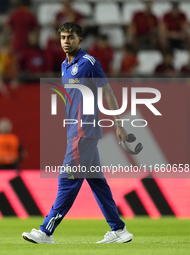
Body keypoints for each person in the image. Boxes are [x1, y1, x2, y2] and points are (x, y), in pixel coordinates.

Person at [22, 22, 133, 244]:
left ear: (79, 39)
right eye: (63, 37)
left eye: (70, 37)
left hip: (85, 129)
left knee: (68, 181)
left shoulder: (89, 63)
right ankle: (119, 230)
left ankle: (46, 231)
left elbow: (108, 92)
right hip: (78, 130)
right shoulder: (65, 65)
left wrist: (118, 123)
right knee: (97, 182)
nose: (66, 41)